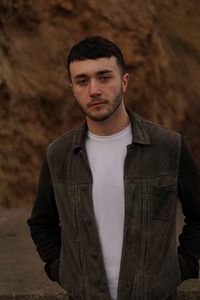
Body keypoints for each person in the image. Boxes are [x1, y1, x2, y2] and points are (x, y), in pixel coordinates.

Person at [27, 36, 200, 300]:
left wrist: (181, 265)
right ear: (72, 87)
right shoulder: (59, 154)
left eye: (104, 77)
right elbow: (42, 222)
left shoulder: (168, 146)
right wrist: (60, 269)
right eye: (82, 81)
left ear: (124, 81)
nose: (94, 89)